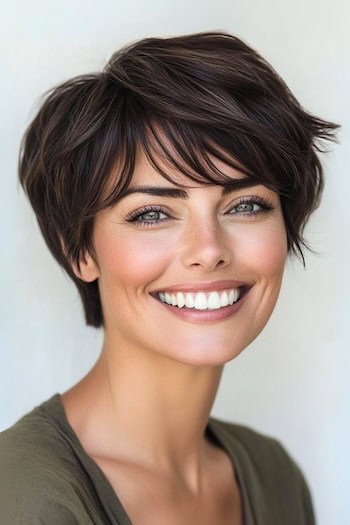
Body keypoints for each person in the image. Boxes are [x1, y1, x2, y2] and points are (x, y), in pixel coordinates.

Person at [0, 31, 340, 524]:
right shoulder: (25, 497)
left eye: (246, 205)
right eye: (152, 214)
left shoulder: (275, 476)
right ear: (80, 251)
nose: (209, 250)